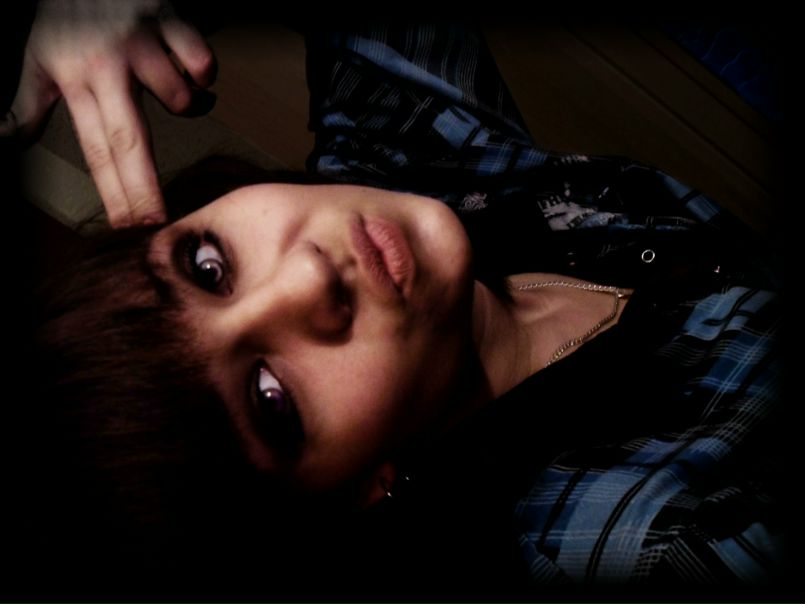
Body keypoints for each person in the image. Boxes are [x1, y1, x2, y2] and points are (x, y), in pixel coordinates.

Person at [4, 2, 788, 596]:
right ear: (357, 492)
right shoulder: (647, 541)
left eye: (206, 266)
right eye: (272, 399)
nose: (306, 278)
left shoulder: (397, 148)